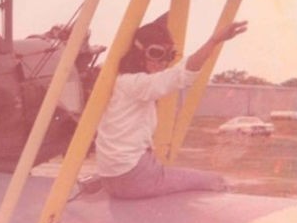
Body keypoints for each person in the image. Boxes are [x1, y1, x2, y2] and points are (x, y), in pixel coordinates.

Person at [91, 13, 248, 198]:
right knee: (214, 180)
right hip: (133, 176)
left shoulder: (118, 82)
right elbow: (181, 74)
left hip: (112, 177)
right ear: (139, 52)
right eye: (156, 53)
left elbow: (176, 69)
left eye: (169, 55)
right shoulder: (135, 84)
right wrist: (213, 41)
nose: (163, 62)